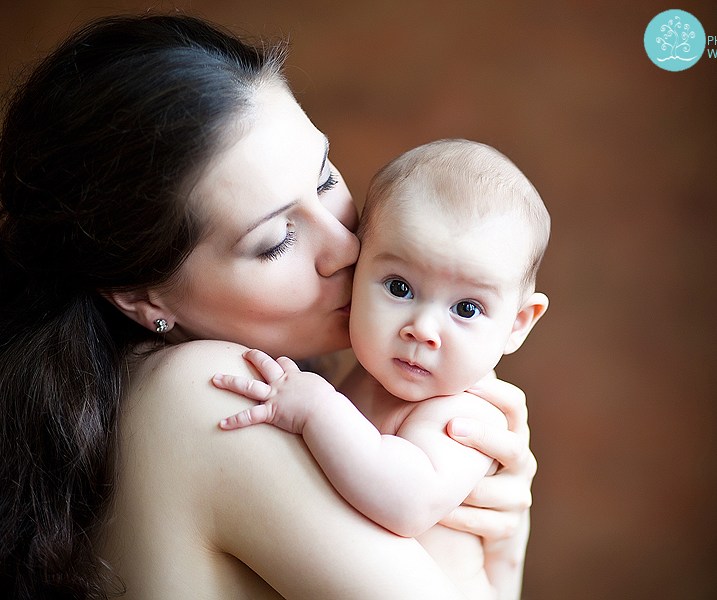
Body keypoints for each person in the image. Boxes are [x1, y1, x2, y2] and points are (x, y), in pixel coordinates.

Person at [0, 13, 537, 600]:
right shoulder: (203, 392)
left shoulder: (119, 396)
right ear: (143, 297)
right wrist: (501, 561)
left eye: (324, 181)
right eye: (275, 241)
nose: (347, 248)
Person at [212, 139, 550, 599]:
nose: (423, 328)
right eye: (399, 286)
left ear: (516, 325)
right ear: (358, 271)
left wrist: (316, 410)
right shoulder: (364, 377)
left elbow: (406, 503)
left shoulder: (469, 416)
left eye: (467, 308)